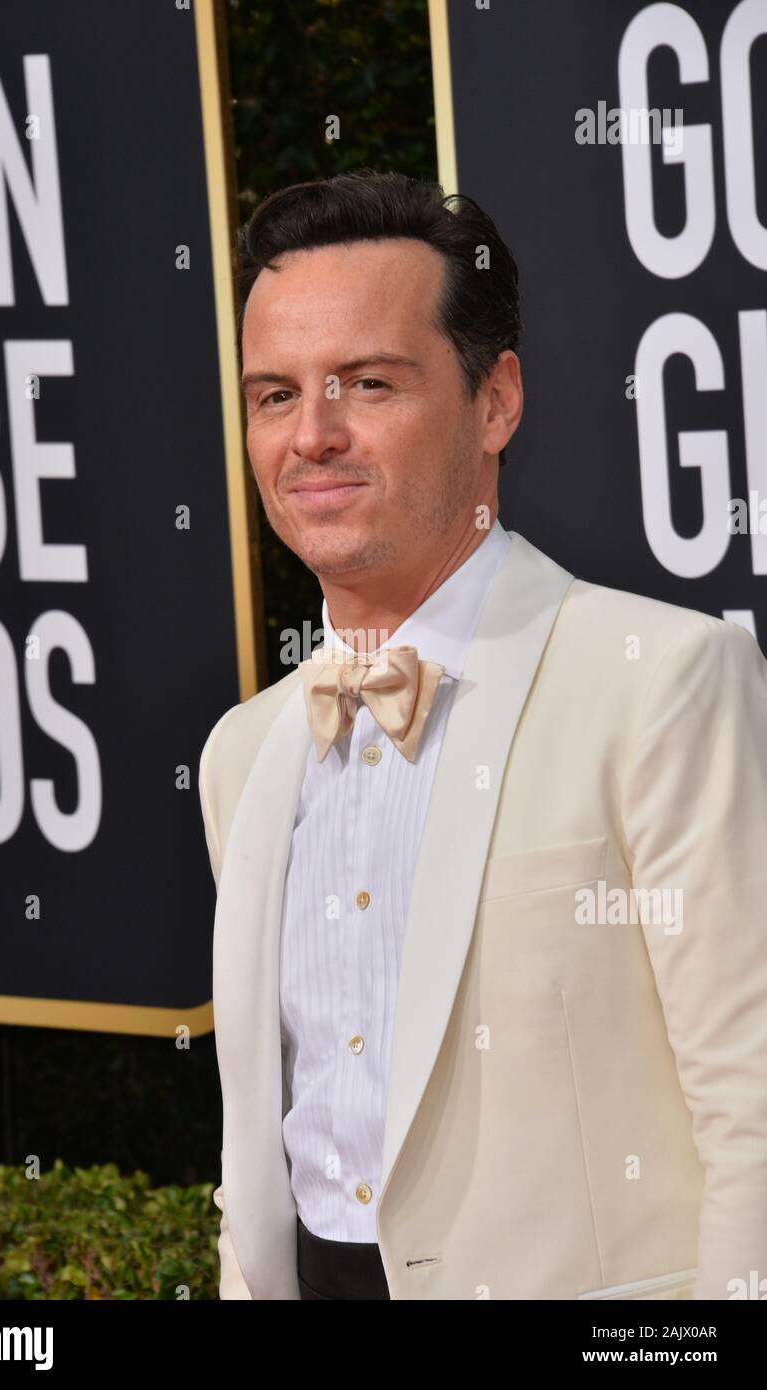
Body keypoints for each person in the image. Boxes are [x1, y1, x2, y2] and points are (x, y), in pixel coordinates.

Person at [198, 170, 767, 1301]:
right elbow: (262, 1140)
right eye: (274, 394)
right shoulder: (242, 752)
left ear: (494, 400)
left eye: (366, 383)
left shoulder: (661, 682)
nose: (312, 435)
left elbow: (755, 1109)